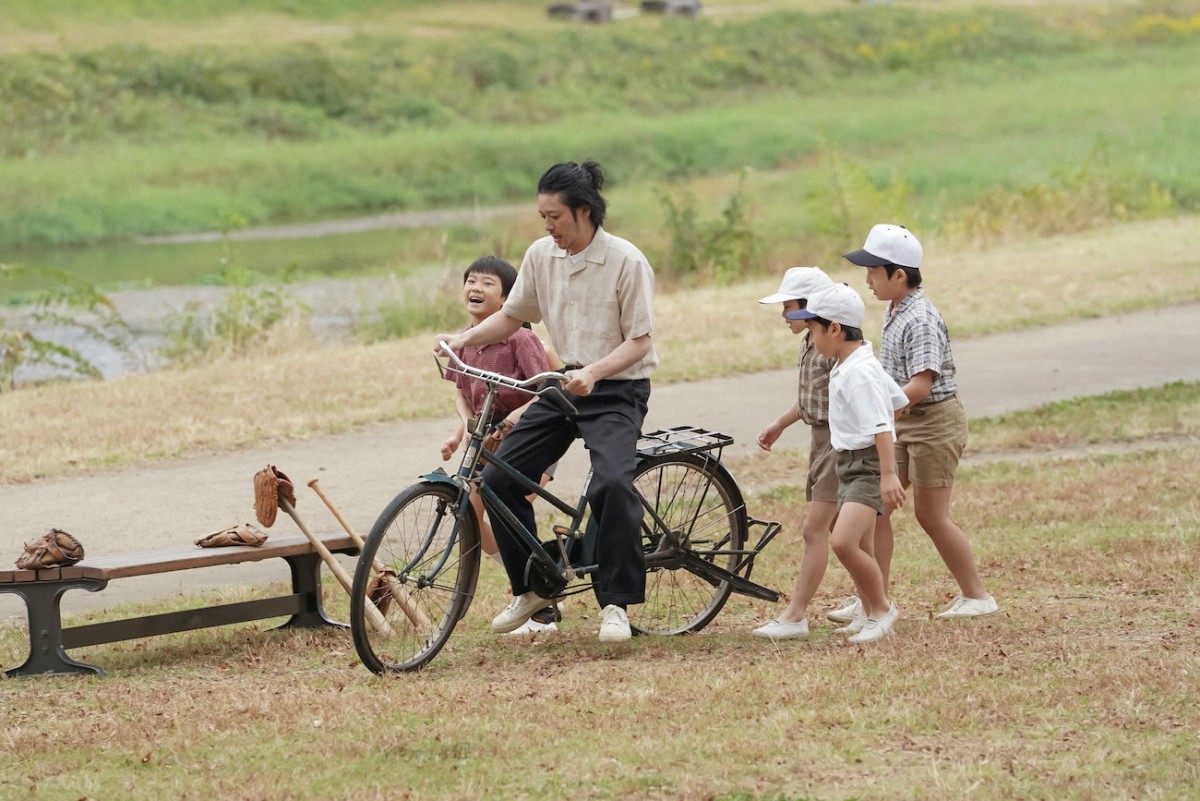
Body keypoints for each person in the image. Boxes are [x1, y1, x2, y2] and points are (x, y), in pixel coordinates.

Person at [434, 160, 657, 644]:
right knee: (497, 479)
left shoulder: (626, 261)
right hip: (562, 386)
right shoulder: (541, 255)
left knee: (613, 484)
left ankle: (615, 604)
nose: (548, 226)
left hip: (616, 386)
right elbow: (512, 317)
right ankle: (534, 587)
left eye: (555, 217)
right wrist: (462, 338)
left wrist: (595, 371)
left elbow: (640, 341)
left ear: (584, 212)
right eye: (543, 217)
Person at [844, 223, 999, 619]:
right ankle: (874, 598)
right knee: (876, 506)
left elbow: (921, 384)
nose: (868, 280)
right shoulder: (896, 310)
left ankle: (977, 596)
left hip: (934, 422)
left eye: (874, 272)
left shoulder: (921, 319)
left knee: (931, 515)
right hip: (902, 420)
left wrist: (884, 409)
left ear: (899, 275)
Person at [440, 255, 561, 634]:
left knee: (513, 509)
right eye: (470, 280)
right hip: (486, 435)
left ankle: (541, 607)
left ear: (509, 298)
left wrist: (513, 419)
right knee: (472, 512)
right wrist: (460, 431)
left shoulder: (520, 338)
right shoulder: (465, 340)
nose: (475, 287)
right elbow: (463, 393)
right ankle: (529, 587)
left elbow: (547, 390)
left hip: (530, 430)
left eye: (487, 282)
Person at [787, 282, 909, 643]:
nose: (811, 338)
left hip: (866, 467)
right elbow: (897, 401)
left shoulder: (859, 373)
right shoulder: (853, 363)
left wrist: (888, 474)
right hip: (849, 462)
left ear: (835, 329)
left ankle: (882, 609)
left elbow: (883, 423)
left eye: (813, 329)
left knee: (842, 542)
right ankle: (871, 610)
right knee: (862, 544)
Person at [749, 266, 845, 640]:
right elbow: (812, 398)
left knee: (815, 529)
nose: (783, 314)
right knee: (842, 529)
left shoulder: (831, 346)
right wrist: (780, 424)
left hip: (838, 441)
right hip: (822, 439)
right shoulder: (812, 341)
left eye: (788, 306)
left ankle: (795, 615)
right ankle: (876, 603)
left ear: (809, 307)